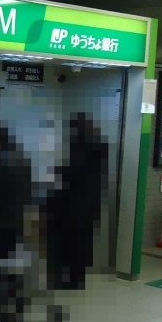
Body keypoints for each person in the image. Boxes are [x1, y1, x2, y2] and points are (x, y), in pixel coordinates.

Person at [0, 123, 36, 322]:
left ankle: (3, 313)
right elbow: (28, 191)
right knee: (15, 269)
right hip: (19, 221)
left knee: (1, 268)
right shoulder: (22, 157)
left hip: (3, 223)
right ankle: (15, 314)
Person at [46, 113, 109, 290]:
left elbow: (75, 173)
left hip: (75, 205)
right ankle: (77, 277)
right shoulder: (99, 146)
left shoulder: (82, 147)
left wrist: (58, 171)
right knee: (82, 242)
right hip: (89, 204)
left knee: (71, 242)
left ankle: (71, 278)